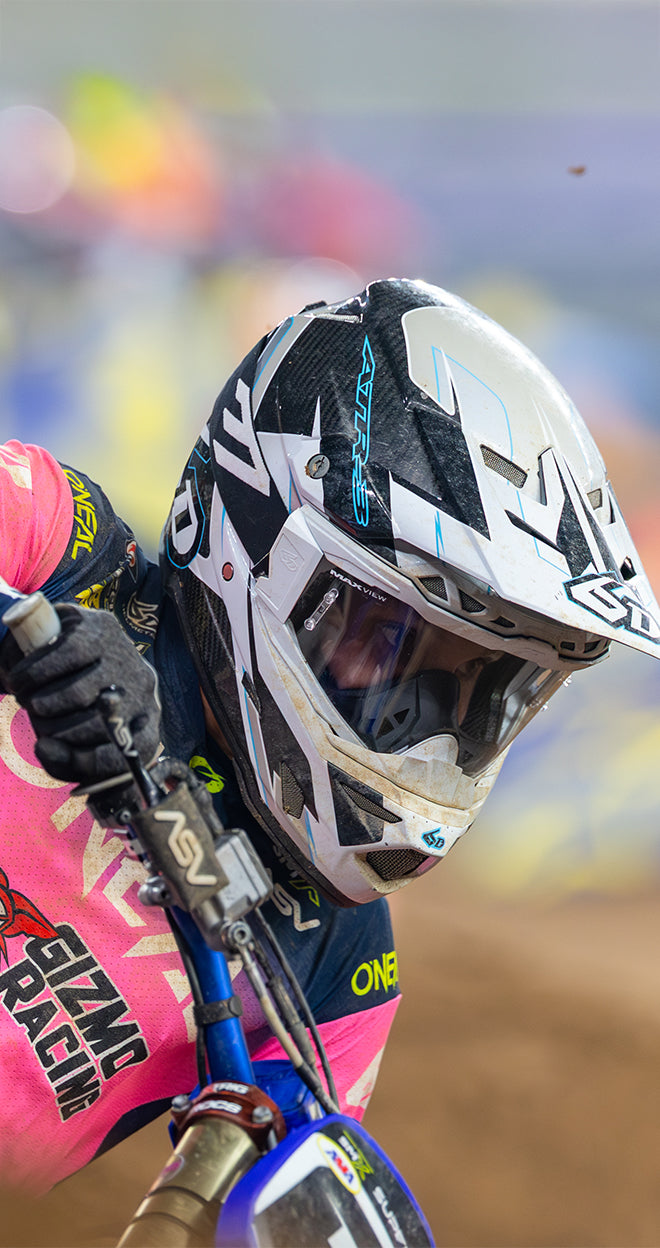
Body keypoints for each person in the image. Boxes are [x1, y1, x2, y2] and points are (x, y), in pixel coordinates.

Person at [0, 277, 658, 1194]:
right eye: (390, 645)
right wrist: (25, 634)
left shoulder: (340, 976)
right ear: (258, 541)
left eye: (487, 690)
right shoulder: (57, 546)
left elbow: (275, 1213)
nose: (428, 736)